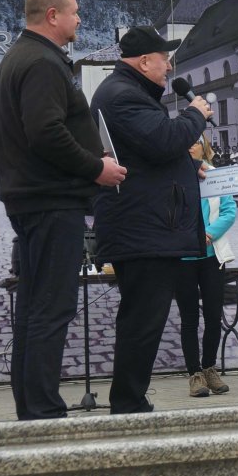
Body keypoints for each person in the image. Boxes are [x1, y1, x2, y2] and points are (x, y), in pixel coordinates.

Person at [0, 0, 126, 420]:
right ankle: (45, 413)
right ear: (52, 15)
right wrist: (96, 167)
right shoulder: (43, 63)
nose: (80, 19)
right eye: (75, 11)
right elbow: (46, 133)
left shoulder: (21, 57)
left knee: (34, 310)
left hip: (35, 202)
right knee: (51, 309)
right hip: (51, 203)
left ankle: (32, 411)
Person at [90, 25, 212, 414]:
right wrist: (195, 114)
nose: (169, 66)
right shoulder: (123, 96)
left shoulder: (128, 93)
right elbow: (162, 141)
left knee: (143, 318)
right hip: (143, 231)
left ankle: (130, 400)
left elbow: (150, 155)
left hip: (147, 227)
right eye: (165, 59)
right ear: (144, 61)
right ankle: (128, 404)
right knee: (143, 320)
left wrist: (186, 169)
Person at [174, 137, 236, 397]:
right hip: (184, 258)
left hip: (212, 256)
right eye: (185, 141)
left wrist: (208, 234)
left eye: (195, 142)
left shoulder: (215, 175)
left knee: (213, 315)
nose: (189, 145)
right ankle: (195, 375)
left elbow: (229, 211)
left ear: (204, 148)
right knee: (189, 318)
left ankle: (210, 368)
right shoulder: (173, 177)